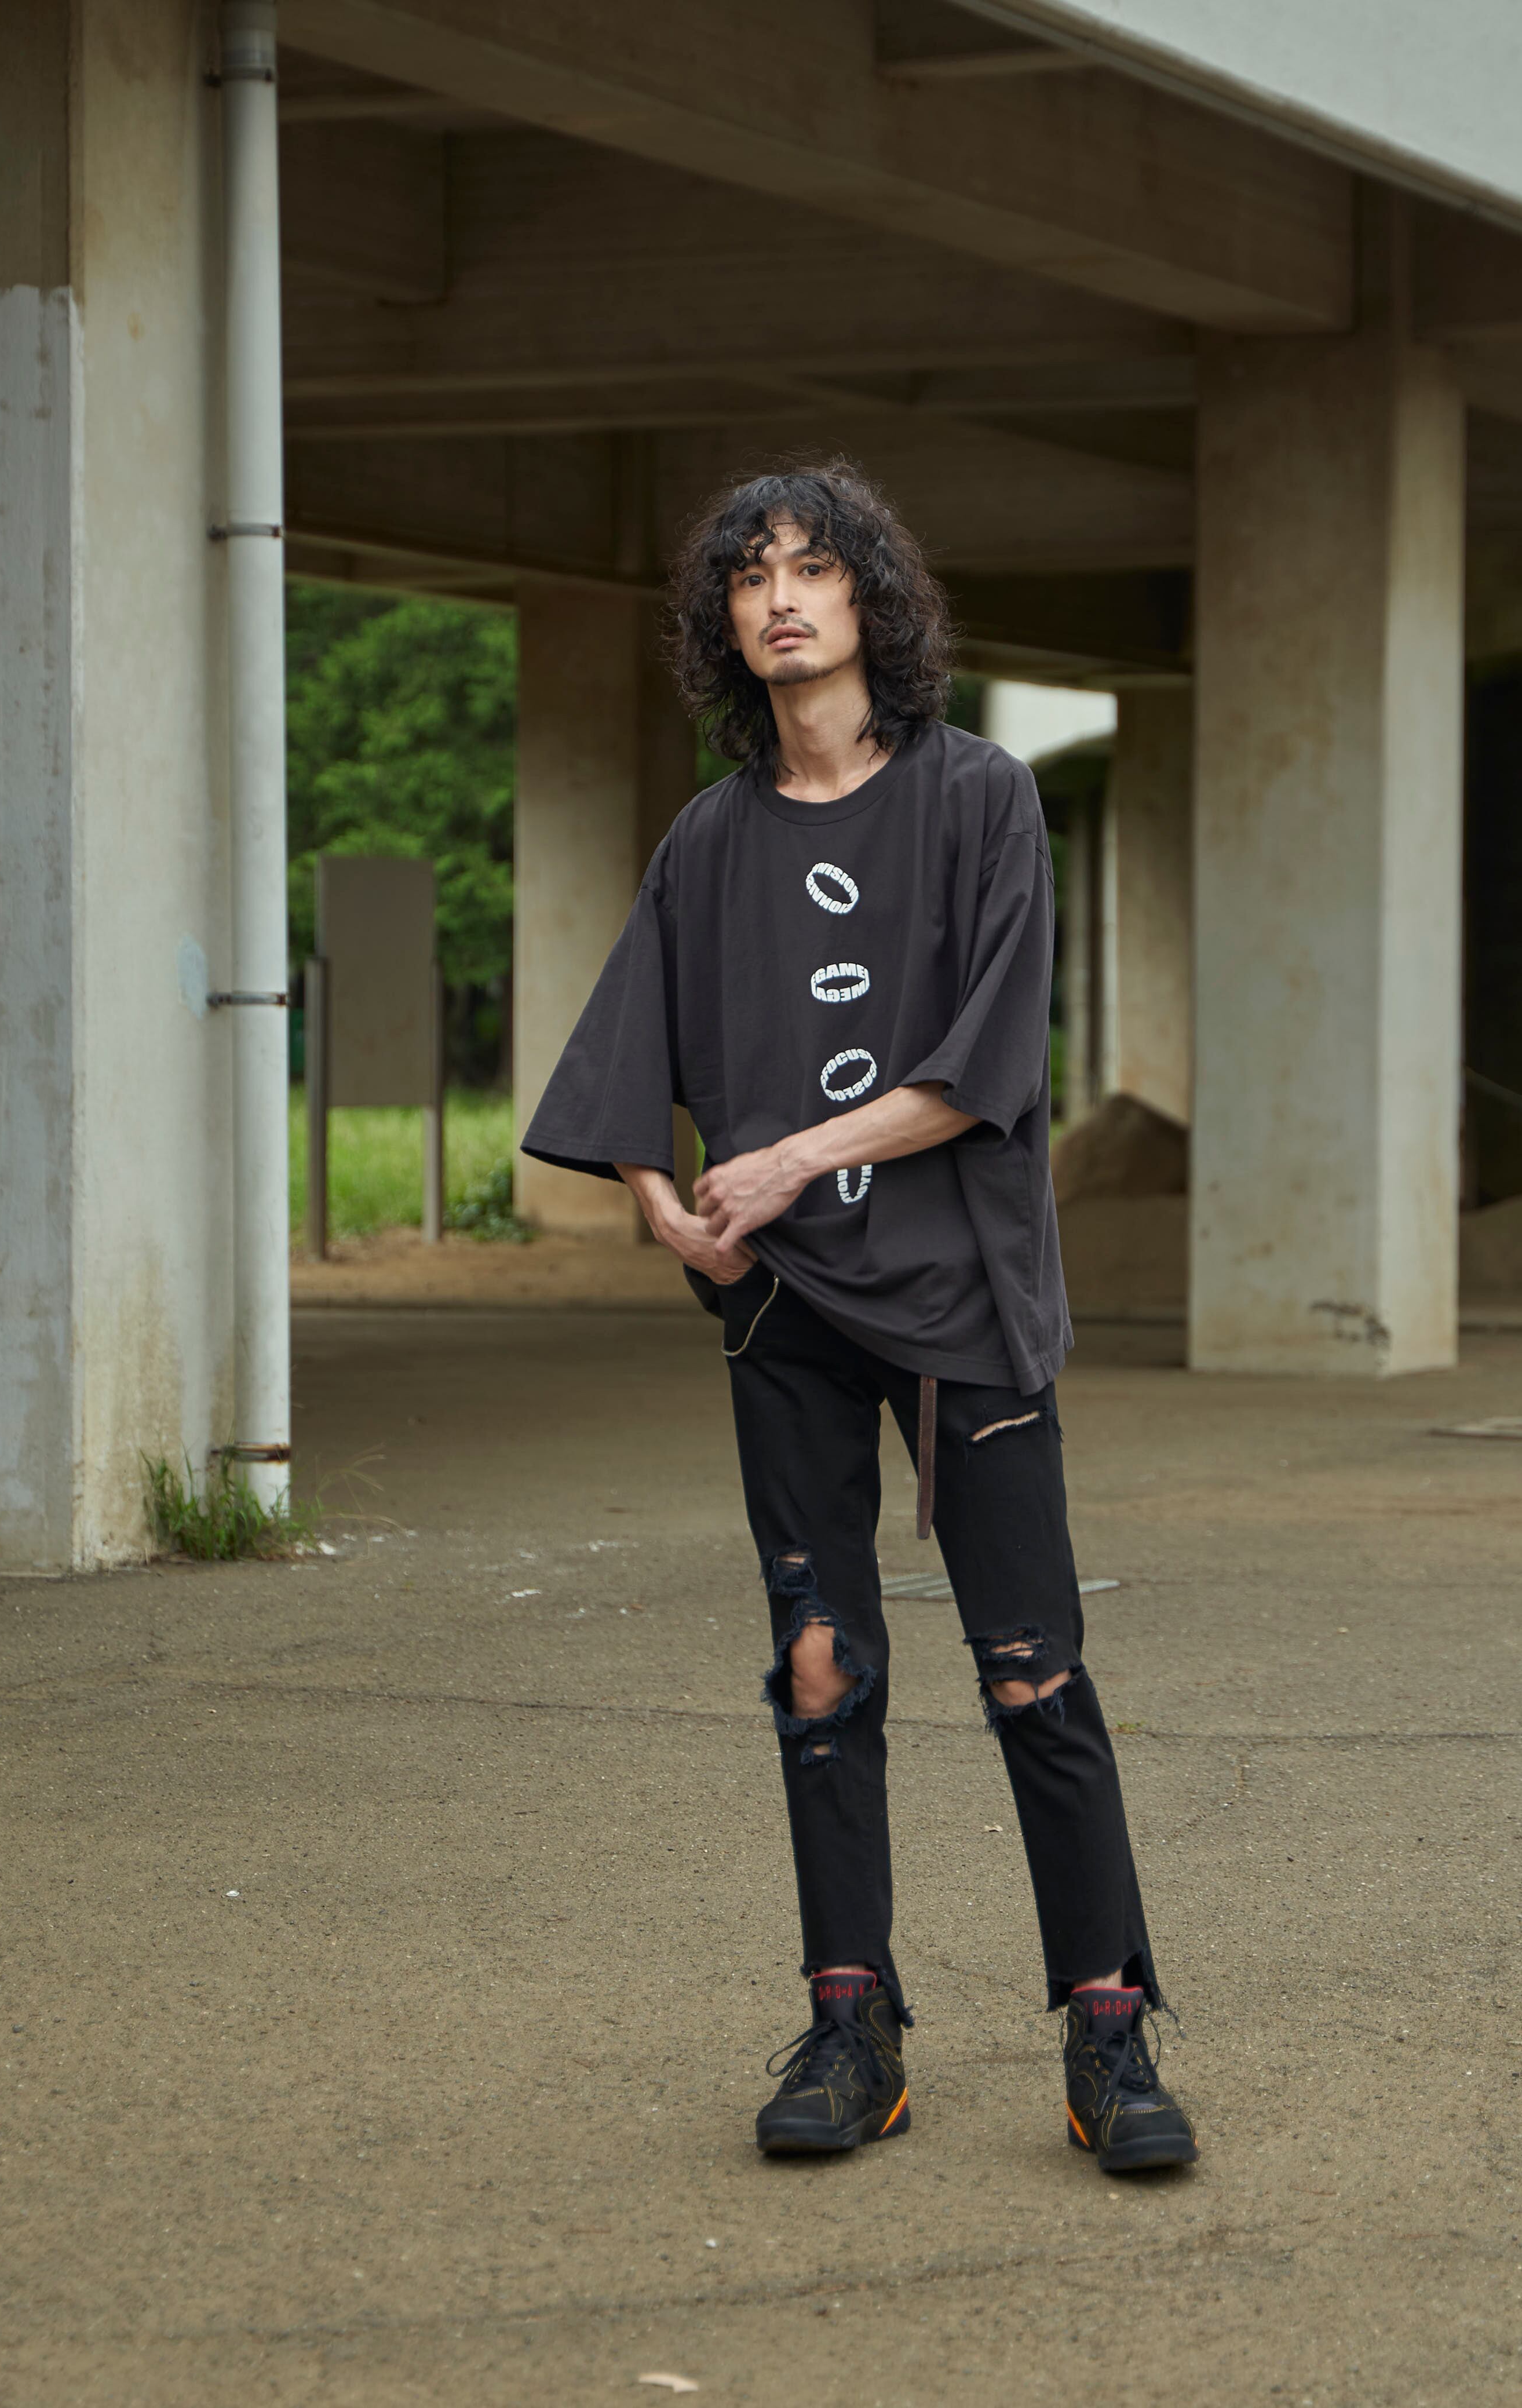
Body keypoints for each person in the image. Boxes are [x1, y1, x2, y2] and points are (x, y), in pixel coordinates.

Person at [521, 460, 1196, 2175]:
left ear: (871, 601)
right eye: (750, 574)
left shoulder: (981, 799)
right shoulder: (709, 840)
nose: (781, 597)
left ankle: (1109, 2031)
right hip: (790, 1311)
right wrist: (668, 1205)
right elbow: (625, 1065)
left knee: (1035, 1670)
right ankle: (854, 2027)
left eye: (813, 567)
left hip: (963, 1297)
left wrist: (785, 1158)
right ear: (724, 620)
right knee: (821, 1671)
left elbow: (985, 1070)